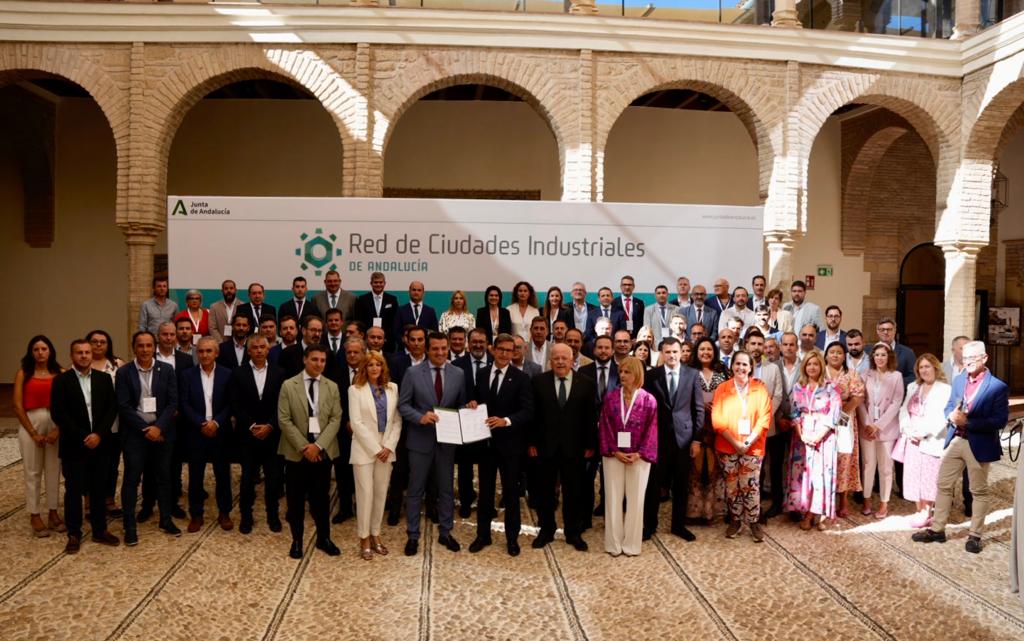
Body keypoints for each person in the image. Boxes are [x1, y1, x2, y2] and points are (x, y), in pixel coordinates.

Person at [913, 341, 1008, 554]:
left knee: (978, 490)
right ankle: (938, 529)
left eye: (973, 359)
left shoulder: (998, 387)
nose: (968, 363)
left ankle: (975, 535)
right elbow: (949, 405)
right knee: (943, 484)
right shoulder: (958, 380)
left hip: (979, 442)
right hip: (956, 439)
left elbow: (1000, 420)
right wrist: (951, 416)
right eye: (965, 359)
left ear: (984, 358)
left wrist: (970, 423)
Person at [398, 331, 467, 556]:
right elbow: (403, 405)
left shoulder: (458, 373)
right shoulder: (413, 372)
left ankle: (446, 532)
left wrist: (470, 407)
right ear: (427, 350)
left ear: (448, 349)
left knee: (446, 490)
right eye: (435, 348)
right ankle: (413, 535)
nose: (439, 352)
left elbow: (461, 404)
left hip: (447, 442)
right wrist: (420, 417)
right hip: (420, 441)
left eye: (443, 348)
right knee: (415, 490)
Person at [51, 339, 120, 552]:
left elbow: (112, 409)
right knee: (73, 490)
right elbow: (59, 414)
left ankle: (100, 530)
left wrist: (98, 434)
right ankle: (74, 533)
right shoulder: (62, 381)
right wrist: (84, 436)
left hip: (101, 444)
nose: (84, 356)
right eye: (79, 352)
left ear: (92, 355)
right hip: (74, 446)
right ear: (72, 355)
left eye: (87, 352)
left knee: (99, 488)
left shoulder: (104, 379)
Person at [468, 333, 534, 557]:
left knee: (511, 494)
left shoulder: (521, 378)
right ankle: (482, 535)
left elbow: (527, 411)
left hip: (510, 446)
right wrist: (473, 403)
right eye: (502, 349)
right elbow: (478, 400)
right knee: (485, 492)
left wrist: (505, 421)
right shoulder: (483, 373)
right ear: (493, 350)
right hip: (486, 445)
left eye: (510, 350)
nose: (506, 353)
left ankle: (512, 539)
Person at [529, 343, 597, 551]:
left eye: (564, 358)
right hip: (545, 447)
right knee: (545, 492)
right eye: (556, 358)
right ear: (550, 361)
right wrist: (531, 442)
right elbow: (533, 415)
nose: (560, 361)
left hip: (574, 448)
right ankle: (546, 529)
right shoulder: (539, 382)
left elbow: (590, 416)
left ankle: (573, 532)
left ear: (571, 360)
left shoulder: (585, 383)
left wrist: (590, 444)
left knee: (574, 491)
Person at [116, 331, 181, 545]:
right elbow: (123, 406)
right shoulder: (124, 372)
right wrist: (146, 429)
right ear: (134, 347)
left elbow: (173, 402)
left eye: (148, 345)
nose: (145, 350)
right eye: (140, 346)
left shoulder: (167, 370)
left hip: (161, 433)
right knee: (132, 480)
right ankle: (130, 526)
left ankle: (165, 519)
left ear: (154, 347)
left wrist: (158, 428)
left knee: (164, 477)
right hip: (136, 434)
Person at [278, 344, 343, 558]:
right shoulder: (289, 385)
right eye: (315, 359)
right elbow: (284, 419)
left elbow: (336, 419)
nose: (319, 364)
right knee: (295, 500)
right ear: (305, 360)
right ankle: (296, 540)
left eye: (323, 360)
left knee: (321, 499)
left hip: (322, 453)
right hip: (297, 453)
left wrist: (318, 446)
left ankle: (324, 538)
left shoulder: (332, 386)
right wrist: (304, 447)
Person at [599, 356, 657, 556]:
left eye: (627, 372)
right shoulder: (611, 397)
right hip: (613, 455)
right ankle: (613, 544)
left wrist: (639, 453)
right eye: (621, 371)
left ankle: (632, 545)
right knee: (613, 499)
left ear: (637, 374)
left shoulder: (649, 400)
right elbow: (604, 427)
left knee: (636, 501)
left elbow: (652, 430)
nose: (622, 375)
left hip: (638, 457)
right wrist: (614, 450)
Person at [712, 351, 772, 542]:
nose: (741, 368)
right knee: (732, 486)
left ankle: (753, 521)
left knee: (751, 485)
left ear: (751, 367)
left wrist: (746, 442)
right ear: (732, 366)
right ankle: (735, 520)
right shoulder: (722, 388)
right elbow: (717, 420)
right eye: (737, 364)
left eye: (745, 364)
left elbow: (764, 419)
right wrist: (736, 442)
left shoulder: (760, 389)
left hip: (753, 447)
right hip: (727, 445)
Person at [349, 351, 403, 560]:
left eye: (377, 364)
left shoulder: (392, 389)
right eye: (370, 364)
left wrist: (388, 446)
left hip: (386, 448)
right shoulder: (355, 390)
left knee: (381, 493)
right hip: (365, 448)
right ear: (364, 368)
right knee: (365, 495)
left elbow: (397, 420)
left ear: (383, 367)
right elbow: (356, 422)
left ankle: (376, 533)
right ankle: (363, 537)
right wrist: (375, 448)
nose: (374, 368)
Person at [229, 335, 285, 534]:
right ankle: (246, 516)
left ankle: (273, 515)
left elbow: (282, 404)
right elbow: (235, 404)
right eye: (255, 347)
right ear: (249, 351)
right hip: (247, 435)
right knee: (246, 480)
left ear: (268, 349)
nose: (260, 350)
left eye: (263, 347)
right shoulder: (238, 373)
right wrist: (252, 425)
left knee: (273, 478)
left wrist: (270, 425)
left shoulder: (279, 373)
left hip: (271, 435)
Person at [180, 337, 234, 532]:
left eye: (208, 351)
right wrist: (202, 423)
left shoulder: (228, 375)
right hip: (196, 431)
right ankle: (196, 515)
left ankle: (224, 512)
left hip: (220, 431)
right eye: (201, 351)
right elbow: (184, 403)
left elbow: (231, 403)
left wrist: (216, 422)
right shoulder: (187, 375)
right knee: (195, 476)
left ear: (216, 353)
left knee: (222, 474)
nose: (204, 355)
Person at [13, 335, 64, 537]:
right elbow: (17, 406)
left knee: (54, 469)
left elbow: (68, 404)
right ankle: (34, 513)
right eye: (36, 349)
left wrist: (57, 429)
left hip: (55, 422)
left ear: (50, 351)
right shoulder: (23, 374)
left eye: (44, 349)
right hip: (30, 423)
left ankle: (53, 512)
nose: (40, 352)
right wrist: (33, 433)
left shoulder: (60, 373)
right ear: (31, 352)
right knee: (32, 471)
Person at [785, 352, 842, 530]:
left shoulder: (831, 387)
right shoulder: (798, 387)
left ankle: (815, 514)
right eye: (809, 364)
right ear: (804, 367)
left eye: (816, 364)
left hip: (823, 438)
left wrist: (818, 436)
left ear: (821, 366)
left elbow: (835, 415)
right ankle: (804, 510)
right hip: (802, 437)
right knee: (803, 476)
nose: (812, 367)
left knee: (819, 477)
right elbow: (794, 413)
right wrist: (802, 435)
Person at [898, 354, 952, 528]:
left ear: (935, 368)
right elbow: (904, 410)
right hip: (912, 438)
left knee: (929, 476)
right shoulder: (913, 386)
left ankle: (927, 511)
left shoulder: (945, 389)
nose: (924, 370)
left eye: (928, 366)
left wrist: (925, 432)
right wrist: (907, 429)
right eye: (921, 367)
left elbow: (944, 416)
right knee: (914, 474)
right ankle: (918, 508)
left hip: (931, 438)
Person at [857, 343, 904, 519]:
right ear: (872, 357)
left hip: (887, 429)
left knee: (885, 467)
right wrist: (868, 423)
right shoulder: (865, 375)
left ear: (889, 356)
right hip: (867, 428)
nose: (880, 358)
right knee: (868, 465)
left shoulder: (896, 376)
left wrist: (879, 425)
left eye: (883, 355)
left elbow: (896, 402)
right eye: (876, 355)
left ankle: (884, 503)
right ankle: (867, 499)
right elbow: (860, 401)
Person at [687, 337, 728, 528]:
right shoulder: (689, 371)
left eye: (709, 349)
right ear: (697, 351)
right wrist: (700, 405)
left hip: (717, 426)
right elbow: (682, 397)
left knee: (713, 469)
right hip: (695, 425)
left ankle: (711, 511)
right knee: (695, 468)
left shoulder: (723, 371)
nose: (706, 353)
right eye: (702, 349)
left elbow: (730, 395)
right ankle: (694, 511)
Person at [579, 335, 619, 525]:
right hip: (589, 433)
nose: (603, 351)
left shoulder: (621, 372)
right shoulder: (583, 371)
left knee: (610, 475)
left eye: (607, 347)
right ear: (594, 350)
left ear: (612, 350)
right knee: (587, 476)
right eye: (600, 347)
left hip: (613, 433)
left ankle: (607, 509)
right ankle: (584, 516)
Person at [823, 341, 864, 518]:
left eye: (839, 353)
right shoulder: (819, 371)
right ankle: (825, 500)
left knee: (844, 459)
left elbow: (857, 398)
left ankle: (843, 501)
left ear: (844, 356)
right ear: (826, 355)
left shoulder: (852, 374)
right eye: (831, 352)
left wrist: (839, 416)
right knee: (825, 459)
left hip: (844, 420)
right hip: (822, 420)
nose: (835, 355)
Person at [87, 329, 125, 517]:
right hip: (90, 425)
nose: (98, 345)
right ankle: (90, 501)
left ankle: (109, 499)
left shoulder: (117, 364)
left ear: (108, 344)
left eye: (103, 342)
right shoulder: (80, 364)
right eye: (94, 341)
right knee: (91, 464)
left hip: (114, 423)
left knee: (111, 463)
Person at [355, 272, 399, 352]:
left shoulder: (392, 300)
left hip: (387, 342)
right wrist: (366, 338)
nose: (378, 284)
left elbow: (395, 322)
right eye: (375, 282)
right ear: (371, 283)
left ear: (384, 283)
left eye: (380, 282)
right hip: (367, 342)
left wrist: (386, 338)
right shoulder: (362, 300)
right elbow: (359, 321)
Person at [875, 317, 916, 387]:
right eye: (882, 329)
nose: (885, 332)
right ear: (877, 331)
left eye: (889, 329)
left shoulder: (907, 352)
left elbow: (914, 377)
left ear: (895, 331)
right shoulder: (869, 350)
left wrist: (895, 382)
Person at [208, 279, 241, 343]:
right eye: (226, 288)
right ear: (222, 291)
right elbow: (212, 328)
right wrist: (221, 343)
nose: (229, 290)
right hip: (220, 343)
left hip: (238, 343)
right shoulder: (214, 307)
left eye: (231, 288)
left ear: (235, 290)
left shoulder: (242, 306)